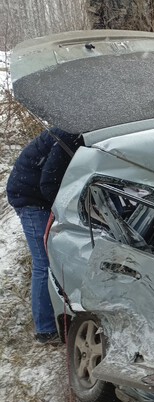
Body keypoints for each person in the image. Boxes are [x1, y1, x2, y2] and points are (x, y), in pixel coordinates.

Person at [6, 128, 82, 344]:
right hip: (29, 196)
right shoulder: (71, 134)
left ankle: (65, 317)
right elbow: (49, 183)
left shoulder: (85, 131)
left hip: (43, 191)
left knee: (61, 259)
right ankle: (46, 330)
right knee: (45, 260)